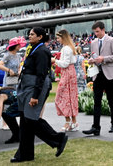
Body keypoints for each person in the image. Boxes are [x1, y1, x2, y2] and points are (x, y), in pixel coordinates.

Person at [12, 27, 68, 162]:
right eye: (29, 34)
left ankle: (58, 139)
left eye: (32, 34)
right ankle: (25, 154)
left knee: (30, 118)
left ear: (40, 37)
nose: (29, 36)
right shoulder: (33, 48)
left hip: (36, 87)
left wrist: (35, 96)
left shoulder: (43, 51)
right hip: (27, 86)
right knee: (25, 120)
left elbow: (41, 75)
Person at [83, 21, 113, 136]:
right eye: (95, 32)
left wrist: (103, 59)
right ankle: (96, 127)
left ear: (103, 30)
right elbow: (93, 55)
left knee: (111, 99)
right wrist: (91, 60)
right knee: (97, 101)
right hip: (97, 74)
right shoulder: (93, 42)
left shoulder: (111, 40)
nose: (96, 34)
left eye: (98, 31)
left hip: (109, 73)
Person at [52, 29, 79, 132]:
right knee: (70, 97)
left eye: (58, 38)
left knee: (63, 97)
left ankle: (68, 121)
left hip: (67, 73)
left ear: (63, 37)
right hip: (69, 73)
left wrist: (55, 61)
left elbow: (65, 64)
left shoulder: (66, 49)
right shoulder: (68, 48)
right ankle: (73, 122)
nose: (57, 40)